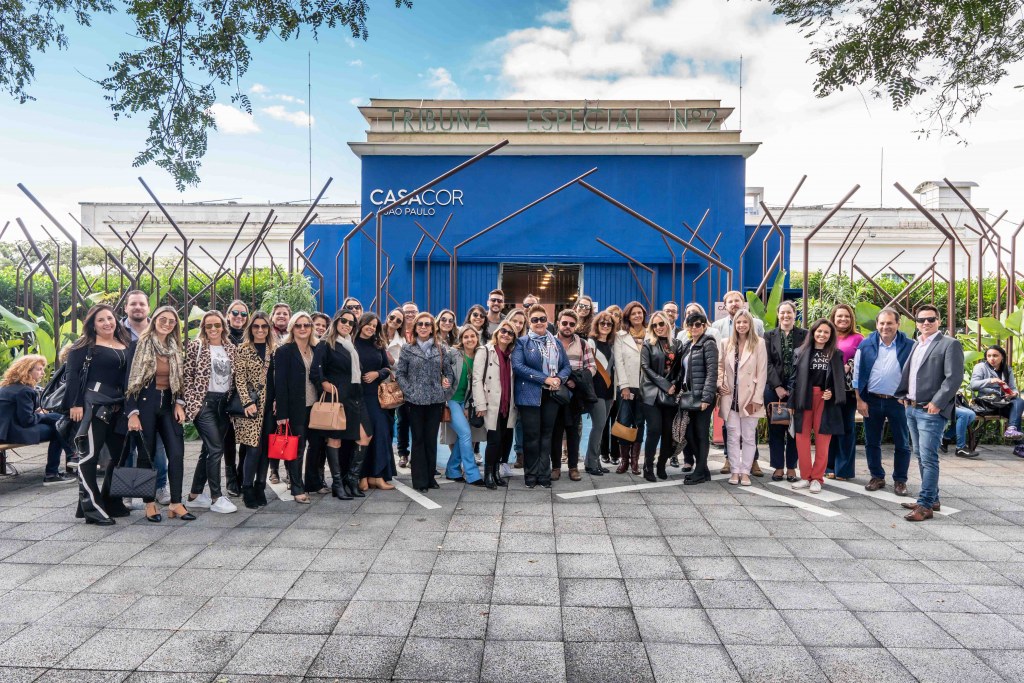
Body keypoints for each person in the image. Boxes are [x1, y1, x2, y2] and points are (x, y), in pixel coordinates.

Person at [123, 306, 193, 522]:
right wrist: (132, 413)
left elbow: (180, 379)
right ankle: (149, 503)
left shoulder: (175, 347)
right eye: (163, 319)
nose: (167, 324)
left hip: (169, 405)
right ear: (154, 320)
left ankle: (176, 503)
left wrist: (180, 403)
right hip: (145, 403)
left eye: (172, 321)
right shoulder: (138, 345)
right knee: (147, 454)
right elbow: (129, 381)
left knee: (177, 453)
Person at [896, 304, 964, 521]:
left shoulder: (949, 344)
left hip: (930, 410)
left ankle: (925, 505)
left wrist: (938, 402)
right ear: (916, 323)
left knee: (928, 458)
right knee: (920, 455)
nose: (926, 322)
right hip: (912, 408)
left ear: (939, 321)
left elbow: (954, 378)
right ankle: (932, 499)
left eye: (931, 319)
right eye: (921, 319)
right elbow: (911, 374)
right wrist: (904, 395)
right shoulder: (917, 344)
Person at [65, 304, 131, 525]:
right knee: (89, 456)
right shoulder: (84, 346)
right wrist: (75, 404)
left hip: (119, 406)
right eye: (101, 320)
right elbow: (72, 375)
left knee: (119, 456)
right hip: (93, 404)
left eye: (110, 318)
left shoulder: (125, 342)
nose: (107, 323)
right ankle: (92, 508)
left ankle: (111, 500)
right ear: (93, 324)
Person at [853, 307, 914, 495]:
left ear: (898, 324)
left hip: (898, 402)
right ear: (877, 324)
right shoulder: (865, 345)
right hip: (871, 400)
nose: (885, 327)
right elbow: (856, 375)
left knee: (902, 442)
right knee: (872, 441)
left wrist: (909, 397)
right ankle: (877, 476)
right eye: (882, 323)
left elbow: (915, 374)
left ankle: (900, 480)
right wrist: (860, 400)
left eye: (889, 323)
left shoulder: (910, 345)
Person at [310, 309, 369, 500]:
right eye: (344, 320)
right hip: (336, 398)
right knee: (335, 439)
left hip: (355, 398)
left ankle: (351, 479)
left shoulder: (351, 345)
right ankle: (337, 483)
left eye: (351, 323)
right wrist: (323, 383)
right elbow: (315, 370)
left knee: (365, 436)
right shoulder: (325, 344)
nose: (347, 325)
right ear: (336, 321)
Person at [394, 312, 455, 493]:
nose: (423, 327)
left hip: (435, 400)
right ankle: (419, 480)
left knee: (430, 439)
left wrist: (446, 383)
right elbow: (400, 374)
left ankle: (430, 477)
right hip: (414, 401)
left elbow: (448, 372)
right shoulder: (407, 348)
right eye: (420, 324)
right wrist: (410, 391)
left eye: (427, 324)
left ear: (432, 328)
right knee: (418, 439)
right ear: (415, 327)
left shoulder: (440, 348)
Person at [184, 310, 237, 514]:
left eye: (217, 325)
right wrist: (192, 404)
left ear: (223, 326)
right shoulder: (196, 346)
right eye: (209, 326)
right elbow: (187, 377)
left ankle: (194, 495)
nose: (213, 329)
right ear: (203, 328)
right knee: (216, 449)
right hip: (204, 403)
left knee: (207, 450)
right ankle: (216, 497)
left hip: (224, 405)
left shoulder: (230, 348)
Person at [512, 304, 570, 489]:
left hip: (551, 395)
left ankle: (544, 474)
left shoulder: (556, 342)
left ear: (547, 321)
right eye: (535, 319)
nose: (539, 322)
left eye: (542, 319)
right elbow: (518, 366)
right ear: (529, 322)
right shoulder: (522, 342)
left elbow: (566, 366)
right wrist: (544, 378)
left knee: (547, 435)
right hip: (529, 395)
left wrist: (558, 379)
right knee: (531, 436)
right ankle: (531, 474)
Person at [788, 319, 846, 494]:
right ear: (813, 332)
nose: (822, 335)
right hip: (804, 398)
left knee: (823, 440)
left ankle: (817, 478)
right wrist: (791, 403)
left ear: (831, 335)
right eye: (819, 331)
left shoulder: (836, 354)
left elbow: (840, 379)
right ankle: (806, 476)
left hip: (825, 400)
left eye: (826, 332)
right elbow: (793, 380)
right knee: (801, 438)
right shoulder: (800, 352)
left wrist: (832, 392)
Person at [0, 355, 74, 486]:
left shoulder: (7, 387)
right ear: (27, 371)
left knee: (56, 421)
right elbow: (27, 420)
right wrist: (45, 415)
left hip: (5, 431)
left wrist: (40, 414)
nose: (43, 373)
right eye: (39, 369)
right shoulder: (25, 391)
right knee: (57, 427)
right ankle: (53, 472)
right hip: (13, 432)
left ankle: (70, 456)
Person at [273, 312, 319, 504]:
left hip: (316, 406)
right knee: (297, 449)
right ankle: (297, 487)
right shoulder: (284, 351)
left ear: (311, 328)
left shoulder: (317, 348)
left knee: (315, 446)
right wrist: (282, 413)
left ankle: (313, 482)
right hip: (295, 407)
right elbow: (280, 384)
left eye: (306, 325)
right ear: (292, 328)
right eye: (298, 325)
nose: (302, 328)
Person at [717, 310, 767, 486]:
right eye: (738, 322)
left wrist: (758, 398)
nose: (741, 325)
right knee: (732, 435)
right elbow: (720, 366)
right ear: (734, 325)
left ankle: (745, 472)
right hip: (730, 396)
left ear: (750, 324)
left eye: (745, 322)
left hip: (750, 397)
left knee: (748, 436)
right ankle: (734, 470)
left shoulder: (759, 343)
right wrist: (719, 382)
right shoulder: (726, 343)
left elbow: (762, 372)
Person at [232, 311, 277, 509]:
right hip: (251, 406)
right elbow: (239, 380)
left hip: (270, 406)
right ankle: (247, 488)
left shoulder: (274, 350)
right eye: (256, 326)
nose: (260, 330)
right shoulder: (243, 349)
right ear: (251, 328)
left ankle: (260, 486)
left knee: (266, 448)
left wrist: (278, 401)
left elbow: (278, 378)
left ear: (269, 328)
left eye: (264, 326)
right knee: (253, 448)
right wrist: (246, 402)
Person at [551, 309, 596, 482]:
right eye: (564, 323)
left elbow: (591, 367)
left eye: (571, 324)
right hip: (554, 392)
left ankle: (573, 467)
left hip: (574, 394)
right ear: (558, 323)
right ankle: (555, 467)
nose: (567, 326)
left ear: (575, 325)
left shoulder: (583, 344)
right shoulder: (549, 342)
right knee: (555, 431)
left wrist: (577, 380)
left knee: (573, 431)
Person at [764, 301, 806, 482]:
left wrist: (793, 388)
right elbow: (766, 363)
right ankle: (778, 467)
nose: (786, 316)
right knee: (776, 429)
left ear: (795, 314)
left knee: (794, 430)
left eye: (789, 312)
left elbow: (805, 362)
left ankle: (791, 467)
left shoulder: (805, 335)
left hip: (797, 390)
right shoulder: (769, 335)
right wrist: (778, 387)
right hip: (774, 390)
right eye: (782, 312)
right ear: (778, 314)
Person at [354, 313, 396, 490]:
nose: (371, 328)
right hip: (356, 396)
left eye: (374, 326)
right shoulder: (350, 344)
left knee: (380, 433)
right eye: (368, 324)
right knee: (362, 437)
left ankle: (377, 476)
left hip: (375, 397)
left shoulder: (378, 344)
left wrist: (377, 374)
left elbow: (387, 368)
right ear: (361, 324)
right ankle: (361, 476)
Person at [475, 319, 518, 488]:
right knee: (493, 440)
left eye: (510, 333)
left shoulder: (512, 355)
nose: (506, 335)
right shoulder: (485, 350)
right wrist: (480, 404)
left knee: (502, 440)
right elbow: (477, 380)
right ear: (497, 332)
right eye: (503, 331)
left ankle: (496, 473)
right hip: (491, 402)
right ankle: (488, 474)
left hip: (507, 403)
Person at [640, 310, 683, 482]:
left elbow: (680, 369)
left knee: (667, 432)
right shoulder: (647, 344)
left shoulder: (678, 344)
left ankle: (661, 464)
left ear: (668, 324)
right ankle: (648, 466)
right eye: (654, 325)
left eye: (661, 323)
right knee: (654, 430)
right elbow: (646, 368)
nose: (658, 327)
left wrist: (674, 385)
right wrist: (666, 385)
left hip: (670, 395)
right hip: (651, 394)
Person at [677, 310, 718, 485]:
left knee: (701, 433)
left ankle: (700, 471)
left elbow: (712, 372)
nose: (694, 327)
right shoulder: (688, 345)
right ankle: (703, 469)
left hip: (702, 397)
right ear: (686, 327)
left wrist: (706, 398)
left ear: (704, 326)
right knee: (689, 433)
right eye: (691, 324)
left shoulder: (709, 344)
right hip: (689, 397)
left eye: (698, 324)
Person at [443, 327, 486, 485]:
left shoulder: (480, 355)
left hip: (467, 402)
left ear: (477, 338)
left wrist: (468, 406)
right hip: (452, 399)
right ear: (461, 339)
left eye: (472, 336)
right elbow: (442, 369)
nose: (469, 339)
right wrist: (442, 380)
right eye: (466, 337)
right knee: (466, 434)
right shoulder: (453, 353)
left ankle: (452, 469)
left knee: (464, 436)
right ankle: (472, 473)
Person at [826, 303, 863, 480]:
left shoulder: (858, 338)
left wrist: (850, 365)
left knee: (847, 428)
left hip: (847, 390)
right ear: (833, 318)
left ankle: (844, 470)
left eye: (847, 316)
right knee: (830, 428)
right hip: (828, 389)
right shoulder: (826, 336)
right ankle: (829, 466)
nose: (843, 319)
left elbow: (864, 362)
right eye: (839, 316)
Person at [613, 301, 647, 475]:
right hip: (627, 386)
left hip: (645, 387)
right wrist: (624, 386)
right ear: (628, 316)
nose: (637, 316)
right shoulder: (620, 336)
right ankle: (624, 460)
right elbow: (618, 362)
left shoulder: (650, 334)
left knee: (639, 423)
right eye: (633, 313)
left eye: (640, 313)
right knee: (624, 422)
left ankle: (635, 461)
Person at [222, 299, 250, 496]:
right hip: (226, 393)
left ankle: (242, 473)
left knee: (248, 436)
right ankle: (231, 477)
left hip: (247, 395)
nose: (239, 317)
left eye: (243, 314)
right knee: (229, 438)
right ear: (228, 315)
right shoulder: (222, 337)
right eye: (235, 313)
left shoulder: (250, 337)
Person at [584, 311, 616, 476]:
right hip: (596, 391)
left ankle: (595, 461)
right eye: (602, 323)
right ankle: (590, 463)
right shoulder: (591, 342)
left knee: (601, 427)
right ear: (596, 325)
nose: (605, 326)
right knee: (598, 426)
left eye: (609, 324)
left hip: (609, 390)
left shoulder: (612, 344)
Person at [970, 345, 1024, 439]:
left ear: (1002, 356)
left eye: (995, 355)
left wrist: (1013, 393)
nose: (992, 358)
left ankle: (1011, 429)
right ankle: (1019, 444)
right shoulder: (980, 367)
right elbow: (973, 385)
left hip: (1001, 404)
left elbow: (1013, 388)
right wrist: (991, 380)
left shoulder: (1007, 369)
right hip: (986, 404)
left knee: (1018, 402)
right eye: (989, 356)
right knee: (1015, 414)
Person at [267, 301, 292, 486]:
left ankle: (291, 471)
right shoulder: (268, 335)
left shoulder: (294, 335)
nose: (282, 316)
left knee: (291, 432)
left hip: (291, 390)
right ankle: (273, 470)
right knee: (274, 431)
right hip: (272, 389)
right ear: (272, 317)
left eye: (285, 313)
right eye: (278, 313)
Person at [383, 308, 410, 468]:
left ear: (401, 324)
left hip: (396, 385)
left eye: (399, 320)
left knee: (400, 419)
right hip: (376, 383)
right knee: (382, 422)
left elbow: (405, 365)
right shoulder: (376, 334)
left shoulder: (403, 341)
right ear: (387, 317)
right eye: (392, 317)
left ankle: (401, 454)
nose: (394, 321)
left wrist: (393, 362)